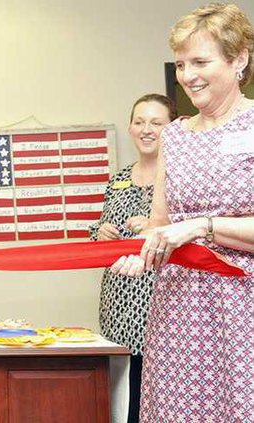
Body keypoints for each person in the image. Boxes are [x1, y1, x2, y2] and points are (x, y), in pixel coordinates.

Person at [111, 3, 254, 421]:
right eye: (180, 64)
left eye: (200, 62)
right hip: (180, 311)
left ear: (239, 59)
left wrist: (202, 227)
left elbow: (185, 227)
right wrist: (139, 258)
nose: (188, 76)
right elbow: (159, 227)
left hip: (242, 307)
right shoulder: (174, 137)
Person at [89, 93, 176, 423]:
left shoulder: (181, 180)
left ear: (174, 129)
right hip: (118, 307)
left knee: (161, 399)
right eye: (139, 122)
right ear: (130, 128)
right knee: (123, 401)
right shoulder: (117, 180)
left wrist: (159, 226)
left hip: (165, 306)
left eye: (156, 122)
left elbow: (198, 236)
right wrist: (100, 234)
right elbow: (98, 233)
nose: (147, 129)